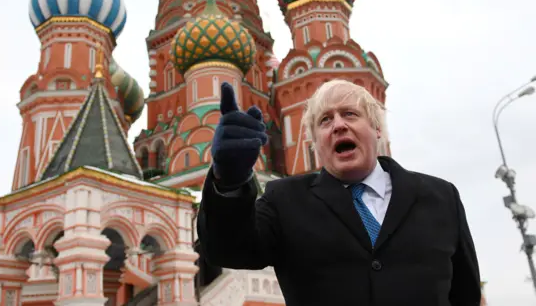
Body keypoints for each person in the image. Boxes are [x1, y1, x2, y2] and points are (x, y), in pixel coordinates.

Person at [198, 79, 481, 306]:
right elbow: (229, 250)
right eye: (325, 120)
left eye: (349, 114)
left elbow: (465, 294)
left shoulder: (440, 197)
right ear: (315, 143)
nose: (338, 125)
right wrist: (231, 179)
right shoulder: (286, 200)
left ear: (377, 129)